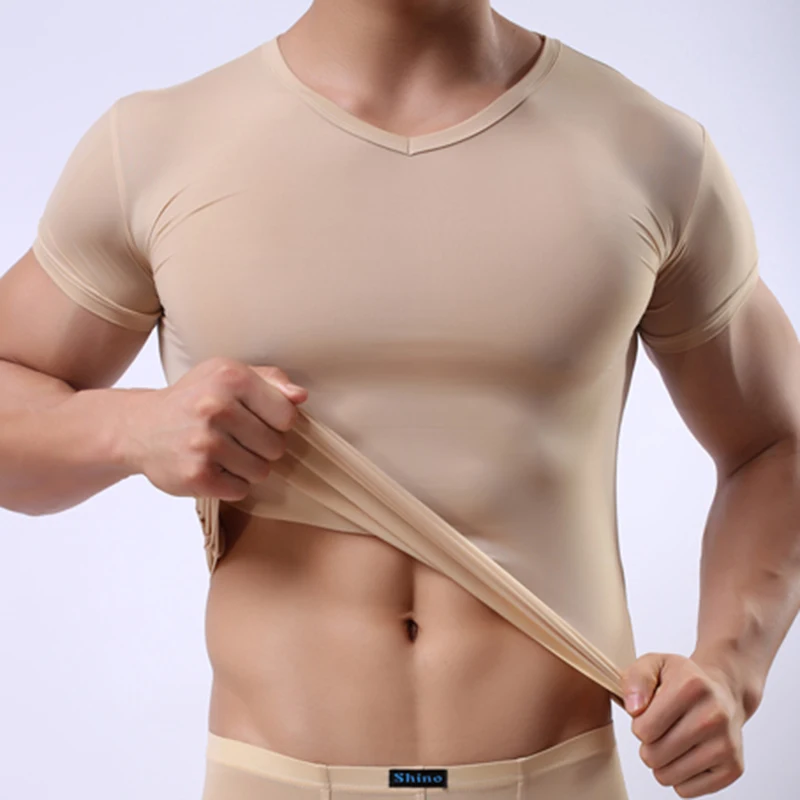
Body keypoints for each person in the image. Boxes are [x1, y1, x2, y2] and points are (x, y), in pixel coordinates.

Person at [1, 1, 798, 798]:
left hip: (558, 777)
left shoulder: (647, 150)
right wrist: (131, 427)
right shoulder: (158, 145)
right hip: (272, 779)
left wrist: (730, 670)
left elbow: (777, 443)